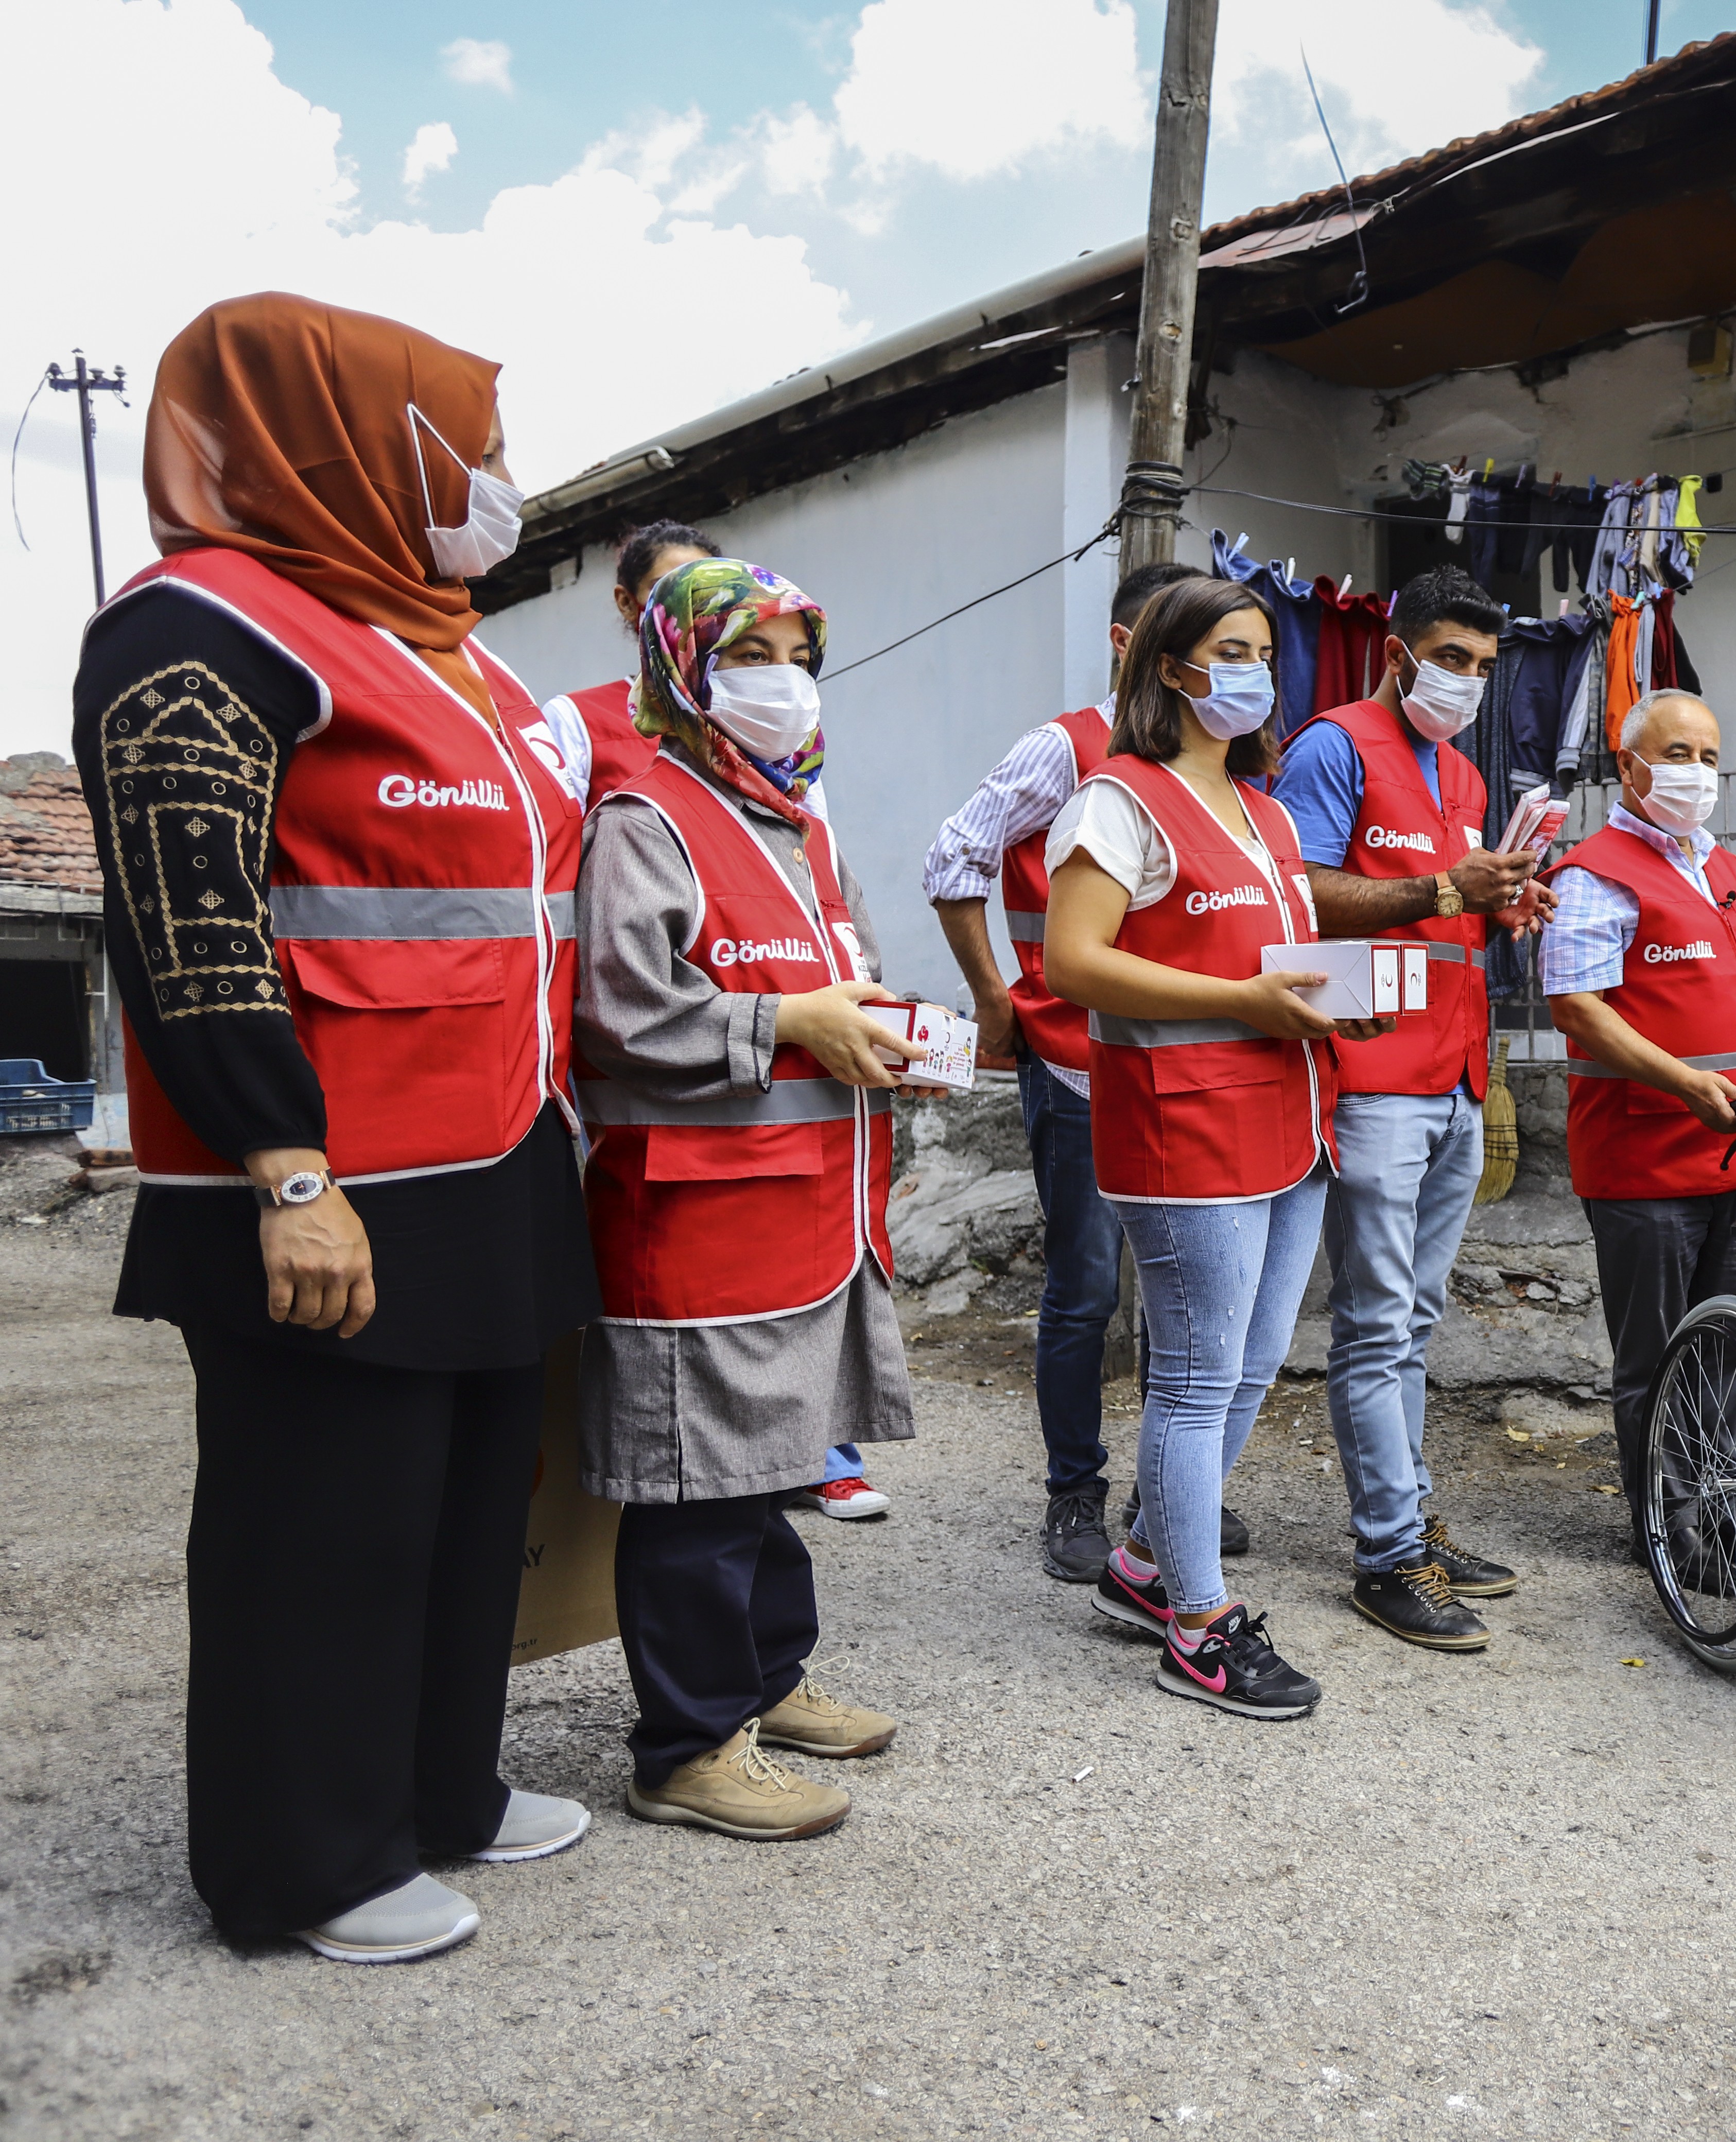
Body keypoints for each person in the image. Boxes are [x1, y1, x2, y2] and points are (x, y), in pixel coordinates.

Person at [74, 293, 601, 1963]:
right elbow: (190, 920)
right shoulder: (200, 628)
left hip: (499, 1149)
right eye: (478, 452)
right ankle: (303, 1861)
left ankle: (443, 1787)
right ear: (355, 445)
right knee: (324, 1523)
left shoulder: (443, 645)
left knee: (460, 1506)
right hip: (328, 1169)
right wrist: (282, 1169)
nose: (503, 483)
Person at [575, 557, 912, 1842]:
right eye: (751, 654)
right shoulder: (644, 813)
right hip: (696, 1214)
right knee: (696, 1486)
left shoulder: (797, 818)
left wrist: (887, 1032)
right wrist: (794, 1019)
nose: (784, 682)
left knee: (766, 1468)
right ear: (680, 667)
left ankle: (766, 1684)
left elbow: (846, 974)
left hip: (803, 1208)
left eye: (797, 655)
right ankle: (687, 1745)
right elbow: (622, 1006)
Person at [1045, 576, 1384, 1719]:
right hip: (1184, 1119)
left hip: (1288, 1116)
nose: (1255, 670)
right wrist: (1246, 1002)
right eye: (1230, 649)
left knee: (1247, 1368)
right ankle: (1197, 1625)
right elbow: (1075, 964)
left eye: (1264, 651)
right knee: (1193, 1383)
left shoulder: (1269, 810)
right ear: (1170, 668)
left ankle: (1146, 1564)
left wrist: (1338, 997)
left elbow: (1271, 959)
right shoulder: (1117, 800)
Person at [1276, 566, 1551, 1650]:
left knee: (1415, 1321)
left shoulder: (1464, 776)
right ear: (1397, 655)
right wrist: (1448, 892)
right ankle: (1387, 1553)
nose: (1469, 681)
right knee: (1378, 1320)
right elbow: (1297, 885)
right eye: (1451, 659)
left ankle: (1410, 1521)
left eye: (1485, 667)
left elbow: (1450, 914)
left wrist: (1504, 903)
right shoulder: (1335, 746)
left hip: (1454, 1074)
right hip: (1374, 1073)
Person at [924, 559, 1209, 1584]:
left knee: (1182, 1298)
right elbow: (954, 854)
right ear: (1131, 646)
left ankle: (1169, 1497)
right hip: (1082, 1067)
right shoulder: (1067, 748)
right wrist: (998, 1001)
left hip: (1188, 1074)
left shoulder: (1211, 764)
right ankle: (1073, 1494)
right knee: (1087, 1290)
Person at [1542, 690, 1736, 1548]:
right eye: (1678, 754)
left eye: (1710, 757)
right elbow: (1578, 1007)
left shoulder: (1735, 878)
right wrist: (1683, 1083)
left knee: (1733, 1347)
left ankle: (1730, 1512)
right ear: (1631, 762)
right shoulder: (1596, 875)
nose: (1697, 773)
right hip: (1644, 1159)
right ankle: (1668, 1524)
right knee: (1656, 1354)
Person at [531, 519, 713, 807]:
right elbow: (556, 840)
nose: (690, 604)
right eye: (669, 587)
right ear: (627, 603)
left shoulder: (759, 718)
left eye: (707, 590)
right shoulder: (577, 720)